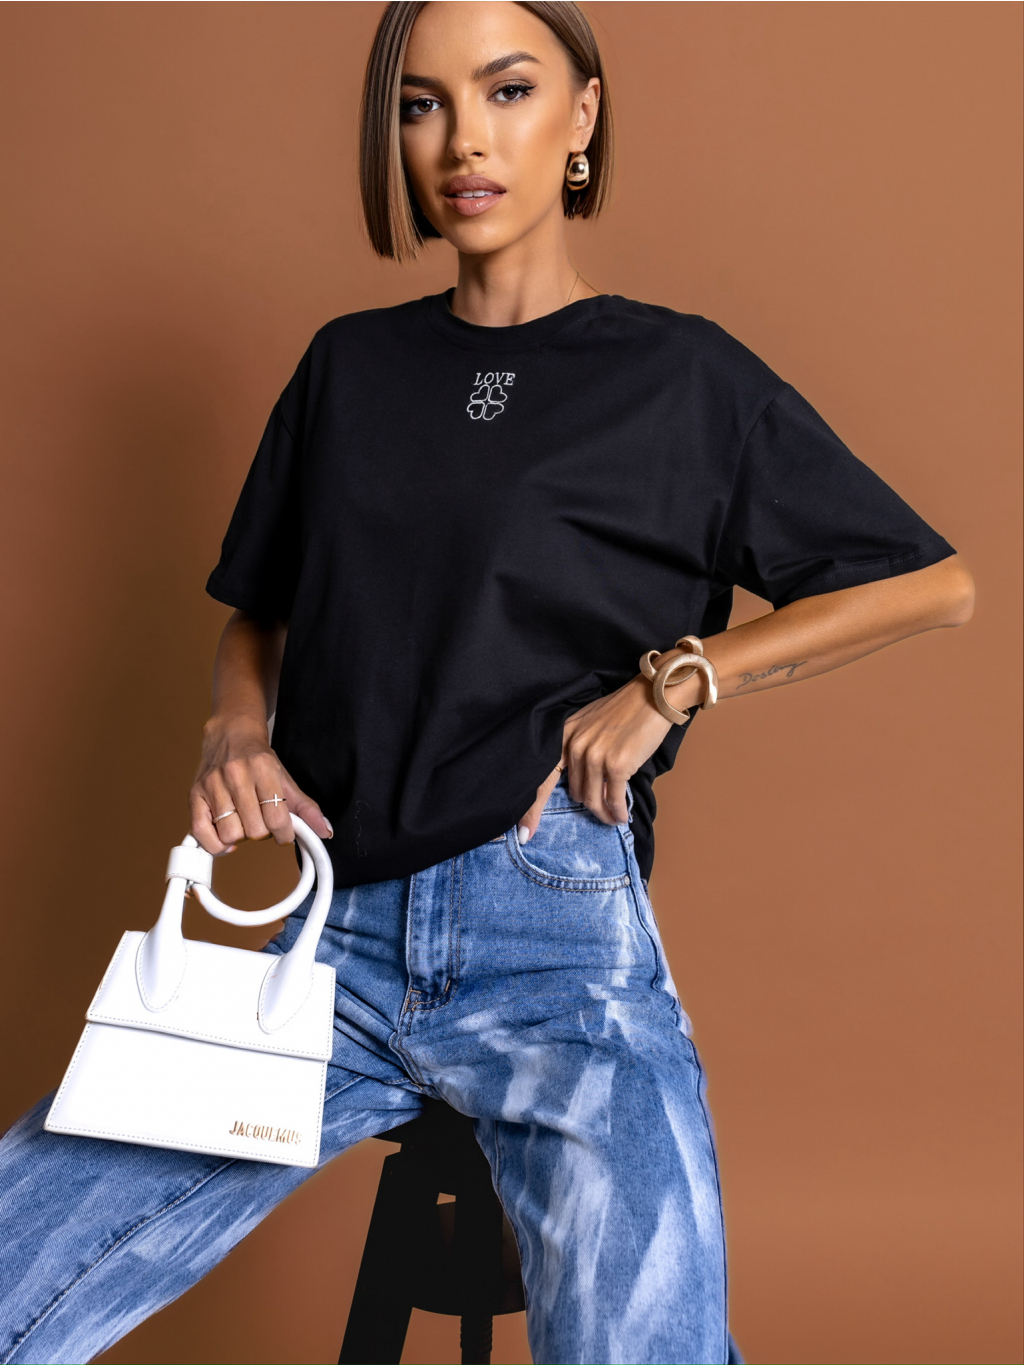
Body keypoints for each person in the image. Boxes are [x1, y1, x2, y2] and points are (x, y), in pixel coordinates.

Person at [0, 4, 974, 1363]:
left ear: (582, 116)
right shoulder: (350, 368)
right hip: (324, 941)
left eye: (508, 91)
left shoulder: (679, 377)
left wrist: (681, 677)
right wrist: (235, 728)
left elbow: (930, 583)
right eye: (423, 103)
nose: (463, 139)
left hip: (554, 940)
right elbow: (260, 612)